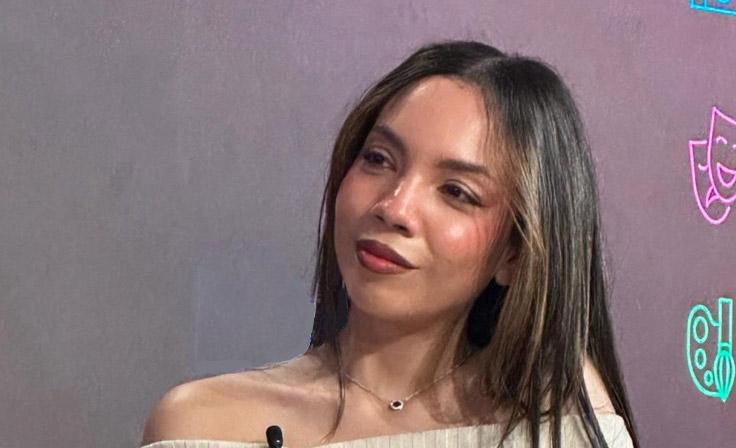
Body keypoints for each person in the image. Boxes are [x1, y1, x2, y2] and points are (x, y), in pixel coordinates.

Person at [141, 40, 640, 448]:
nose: (394, 207)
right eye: (378, 159)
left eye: (456, 192)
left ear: (515, 253)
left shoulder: (557, 420)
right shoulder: (201, 424)